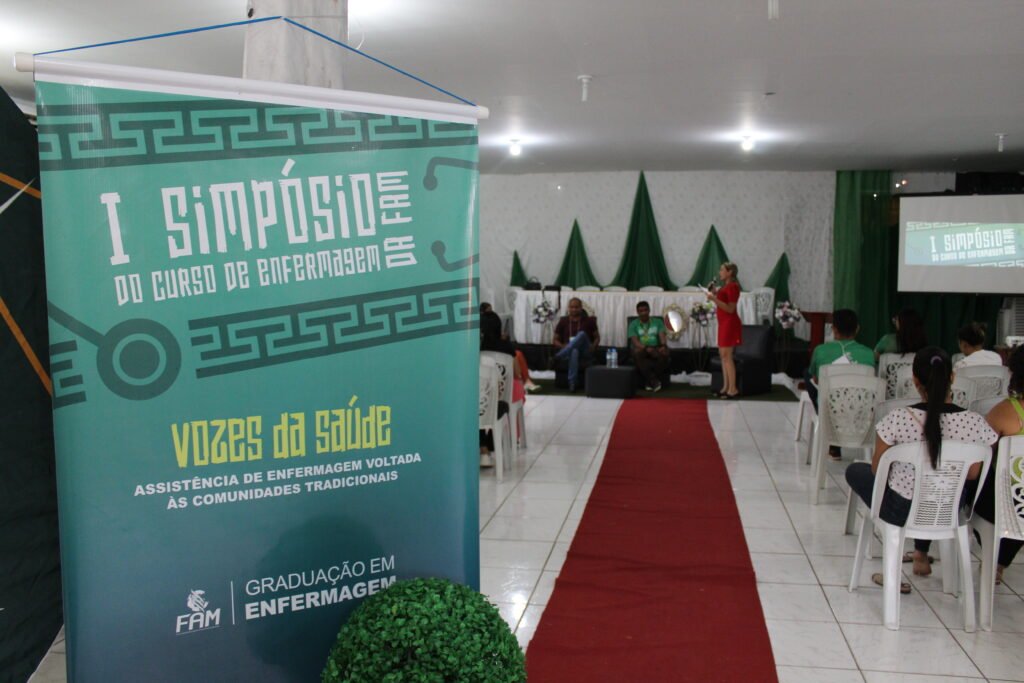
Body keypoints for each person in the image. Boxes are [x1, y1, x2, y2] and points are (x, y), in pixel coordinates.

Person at [845, 347, 998, 590]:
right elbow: (973, 474)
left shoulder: (898, 418)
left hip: (900, 510)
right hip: (948, 509)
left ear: (915, 381)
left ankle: (901, 565)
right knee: (932, 485)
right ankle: (921, 553)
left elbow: (878, 469)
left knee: (855, 471)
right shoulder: (975, 423)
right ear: (952, 378)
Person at [975, 345, 1024, 584]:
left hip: (1007, 504)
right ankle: (1000, 561)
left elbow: (980, 455)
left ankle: (995, 559)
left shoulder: (1005, 412)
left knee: (973, 479)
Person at [805, 309, 876, 459]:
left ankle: (824, 420)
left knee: (808, 375)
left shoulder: (820, 350)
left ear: (834, 329)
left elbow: (816, 379)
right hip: (860, 410)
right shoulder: (869, 353)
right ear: (857, 329)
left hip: (830, 408)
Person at [551, 297, 600, 392]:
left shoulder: (589, 320)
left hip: (585, 350)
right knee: (574, 351)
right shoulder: (563, 321)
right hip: (569, 351)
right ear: (568, 308)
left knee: (582, 334)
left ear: (581, 308)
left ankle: (558, 356)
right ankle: (572, 383)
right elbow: (555, 340)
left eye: (576, 307)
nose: (574, 309)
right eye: (572, 307)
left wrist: (593, 346)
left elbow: (597, 337)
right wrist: (563, 346)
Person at [707, 262, 741, 398]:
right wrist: (714, 293)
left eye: (722, 270)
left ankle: (733, 389)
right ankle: (725, 387)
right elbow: (723, 300)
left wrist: (714, 299)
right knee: (723, 356)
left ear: (730, 272)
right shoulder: (725, 287)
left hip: (730, 324)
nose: (719, 272)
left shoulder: (733, 286)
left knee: (727, 356)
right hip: (723, 323)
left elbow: (730, 309)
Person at [628, 301, 669, 392]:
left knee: (665, 352)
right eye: (641, 311)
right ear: (637, 312)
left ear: (649, 310)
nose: (643, 313)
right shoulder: (633, 324)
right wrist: (646, 348)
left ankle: (648, 381)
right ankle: (653, 380)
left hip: (656, 347)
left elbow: (662, 337)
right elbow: (635, 342)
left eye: (645, 310)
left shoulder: (658, 322)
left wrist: (663, 346)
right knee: (637, 352)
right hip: (641, 348)